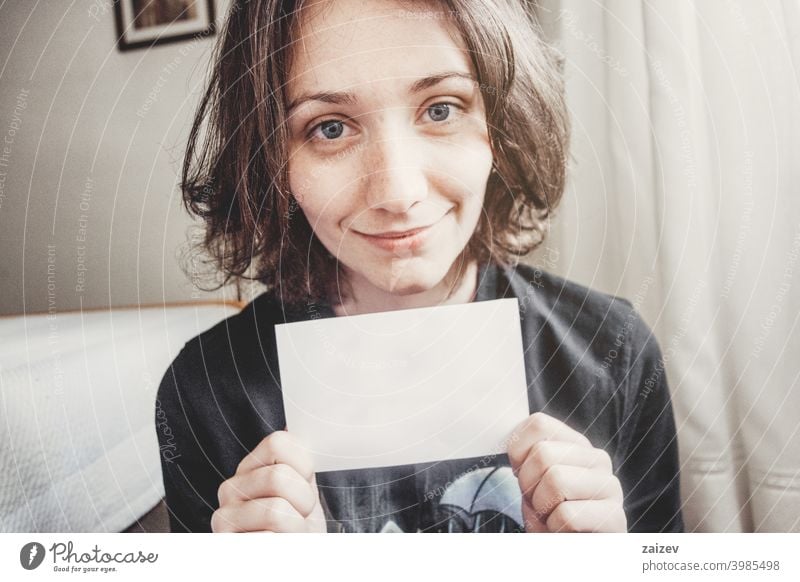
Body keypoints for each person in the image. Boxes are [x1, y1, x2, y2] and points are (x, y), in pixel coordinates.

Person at [156, 0, 684, 533]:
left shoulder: (613, 353)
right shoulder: (205, 391)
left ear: (501, 126)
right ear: (271, 162)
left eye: (441, 109)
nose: (398, 193)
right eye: (331, 128)